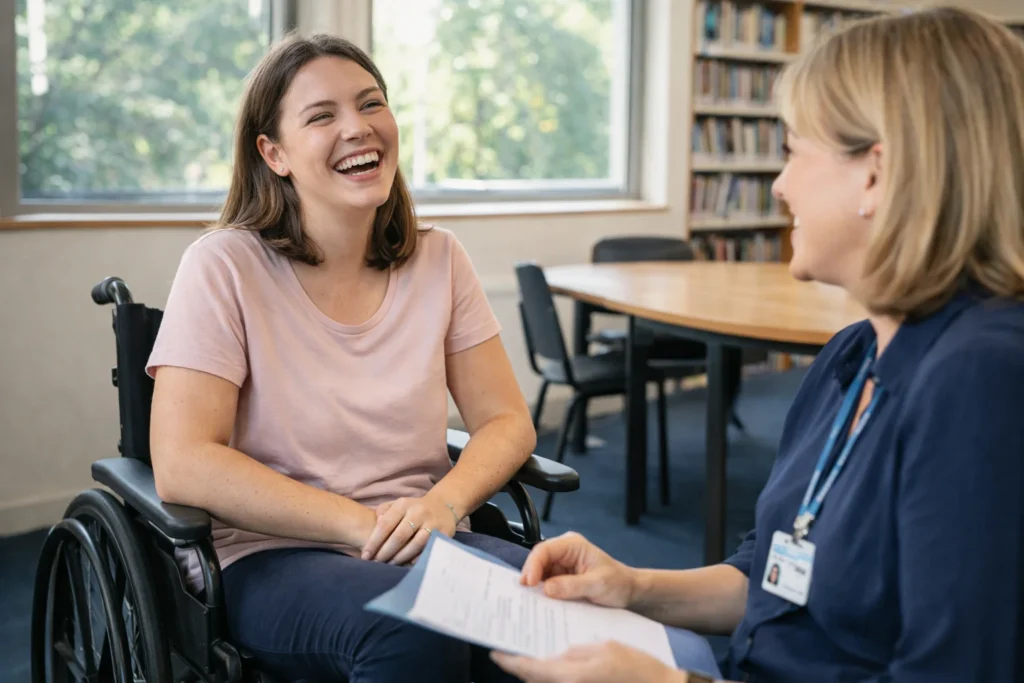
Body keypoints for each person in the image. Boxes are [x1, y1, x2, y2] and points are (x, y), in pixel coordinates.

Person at [492, 7, 1024, 683]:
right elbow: (774, 574)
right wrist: (631, 583)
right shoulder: (852, 357)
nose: (779, 184)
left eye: (795, 150)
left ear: (875, 176)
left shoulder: (983, 377)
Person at [147, 33, 536, 683]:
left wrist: (443, 504)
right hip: (273, 553)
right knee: (411, 634)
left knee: (572, 609)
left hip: (426, 538)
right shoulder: (222, 266)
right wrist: (362, 526)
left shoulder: (440, 260)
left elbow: (506, 420)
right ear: (273, 152)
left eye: (371, 103)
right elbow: (185, 463)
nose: (358, 128)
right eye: (322, 115)